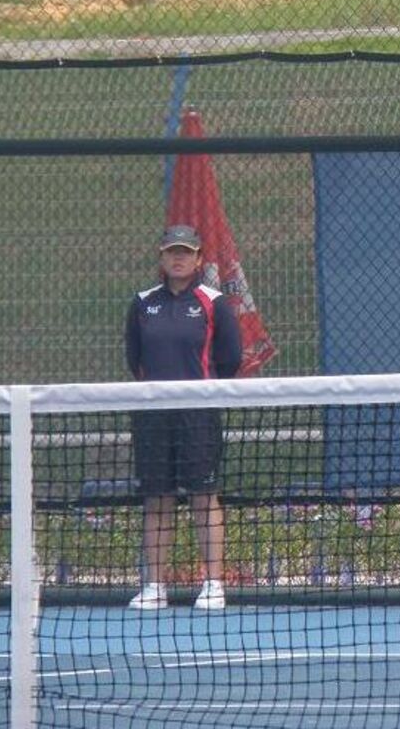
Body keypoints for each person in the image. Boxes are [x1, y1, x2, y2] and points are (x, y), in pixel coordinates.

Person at [125, 225, 242, 610]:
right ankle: (155, 586)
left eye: (186, 252)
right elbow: (134, 360)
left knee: (204, 497)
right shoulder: (142, 303)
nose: (178, 258)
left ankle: (214, 584)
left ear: (198, 258)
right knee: (156, 499)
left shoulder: (214, 302)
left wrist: (200, 393)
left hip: (199, 414)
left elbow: (230, 358)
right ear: (161, 257)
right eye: (172, 251)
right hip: (153, 415)